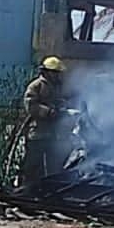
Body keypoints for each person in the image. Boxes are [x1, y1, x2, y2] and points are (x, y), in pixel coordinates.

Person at [22, 56, 71, 184]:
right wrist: (49, 112)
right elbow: (31, 105)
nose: (58, 76)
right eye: (55, 73)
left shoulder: (58, 87)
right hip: (38, 133)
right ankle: (27, 190)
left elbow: (62, 101)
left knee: (53, 167)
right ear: (47, 72)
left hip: (55, 135)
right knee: (33, 166)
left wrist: (64, 110)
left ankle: (49, 192)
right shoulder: (36, 86)